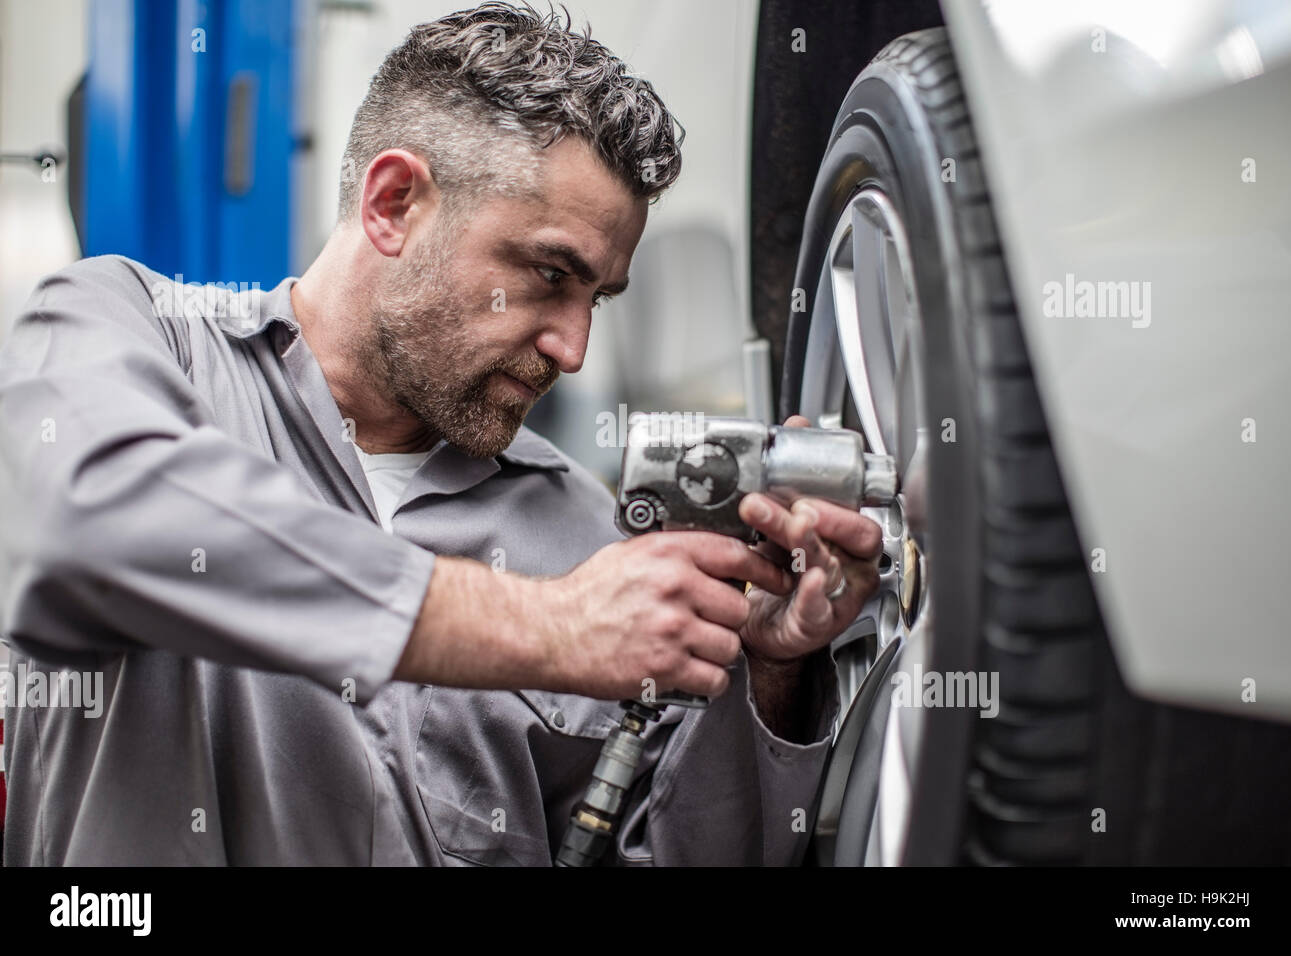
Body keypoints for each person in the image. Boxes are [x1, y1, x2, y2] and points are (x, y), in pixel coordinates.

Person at [0, 2, 882, 865]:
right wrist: (546, 628)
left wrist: (768, 669)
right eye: (547, 274)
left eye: (596, 300)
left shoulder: (586, 537)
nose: (572, 350)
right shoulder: (133, 334)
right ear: (392, 203)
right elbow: (85, 522)